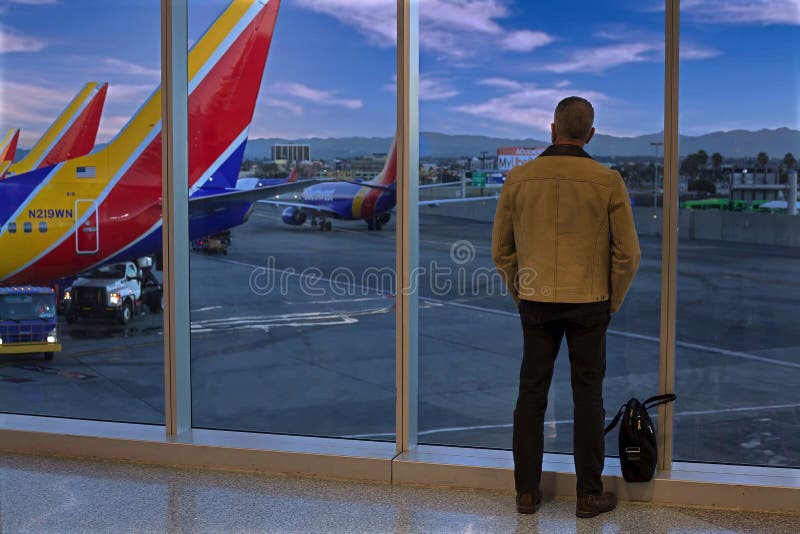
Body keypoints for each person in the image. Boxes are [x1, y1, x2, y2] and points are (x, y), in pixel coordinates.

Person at [492, 96, 640, 518]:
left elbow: (502, 251)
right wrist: (611, 301)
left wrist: (521, 292)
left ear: (552, 130)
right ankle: (588, 496)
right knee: (588, 398)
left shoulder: (518, 179)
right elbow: (628, 254)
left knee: (531, 395)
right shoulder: (607, 180)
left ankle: (525, 493)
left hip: (536, 301)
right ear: (590, 134)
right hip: (590, 302)